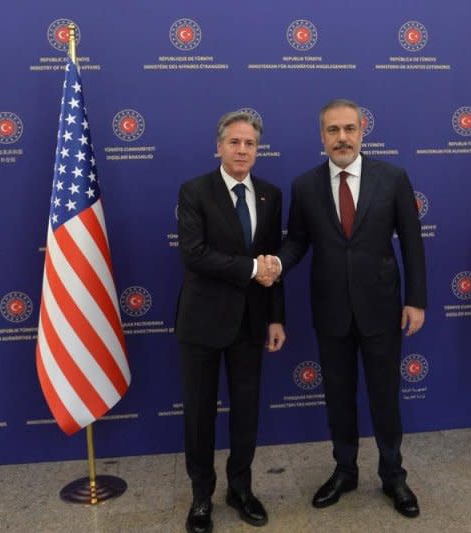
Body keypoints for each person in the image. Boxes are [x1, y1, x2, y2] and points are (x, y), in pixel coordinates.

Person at [269, 98, 427, 518]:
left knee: (384, 399)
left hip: (382, 310)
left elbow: (412, 242)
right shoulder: (304, 186)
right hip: (331, 311)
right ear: (321, 137)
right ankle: (345, 470)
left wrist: (416, 300)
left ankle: (393, 475)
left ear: (362, 132)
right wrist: (277, 262)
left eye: (349, 129)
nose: (342, 138)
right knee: (338, 397)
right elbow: (298, 241)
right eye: (333, 130)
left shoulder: (392, 178)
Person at [176, 111, 286, 533]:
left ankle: (241, 489)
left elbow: (272, 261)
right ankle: (201, 496)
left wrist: (276, 317)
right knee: (200, 414)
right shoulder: (195, 191)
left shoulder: (270, 195)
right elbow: (194, 254)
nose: (242, 150)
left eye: (250, 144)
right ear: (219, 146)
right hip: (201, 323)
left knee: (246, 412)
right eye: (235, 142)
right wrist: (248, 270)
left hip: (251, 323)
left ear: (258, 150)